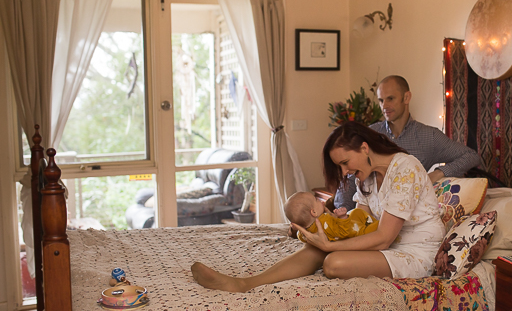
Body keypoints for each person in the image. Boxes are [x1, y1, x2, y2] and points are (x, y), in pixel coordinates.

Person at [191, 122, 445, 292]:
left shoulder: (405, 168)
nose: (345, 172)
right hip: (387, 244)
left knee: (334, 262)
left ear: (365, 148)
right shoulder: (366, 176)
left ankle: (246, 283)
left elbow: (383, 238)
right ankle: (244, 284)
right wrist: (339, 225)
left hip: (415, 253)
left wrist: (332, 246)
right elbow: (363, 220)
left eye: (345, 163)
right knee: (317, 247)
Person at [334, 75, 481, 210]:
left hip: (409, 215)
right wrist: (341, 210)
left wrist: (438, 173)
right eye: (381, 100)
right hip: (369, 214)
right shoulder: (370, 135)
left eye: (390, 99)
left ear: (406, 97)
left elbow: (471, 156)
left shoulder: (428, 136)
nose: (384, 106)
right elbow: (350, 177)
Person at [284, 191, 378, 243]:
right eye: (316, 200)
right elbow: (343, 232)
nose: (322, 202)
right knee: (379, 226)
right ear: (313, 212)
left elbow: (331, 232)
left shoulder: (304, 234)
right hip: (358, 233)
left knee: (356, 212)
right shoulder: (325, 222)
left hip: (354, 226)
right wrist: (342, 218)